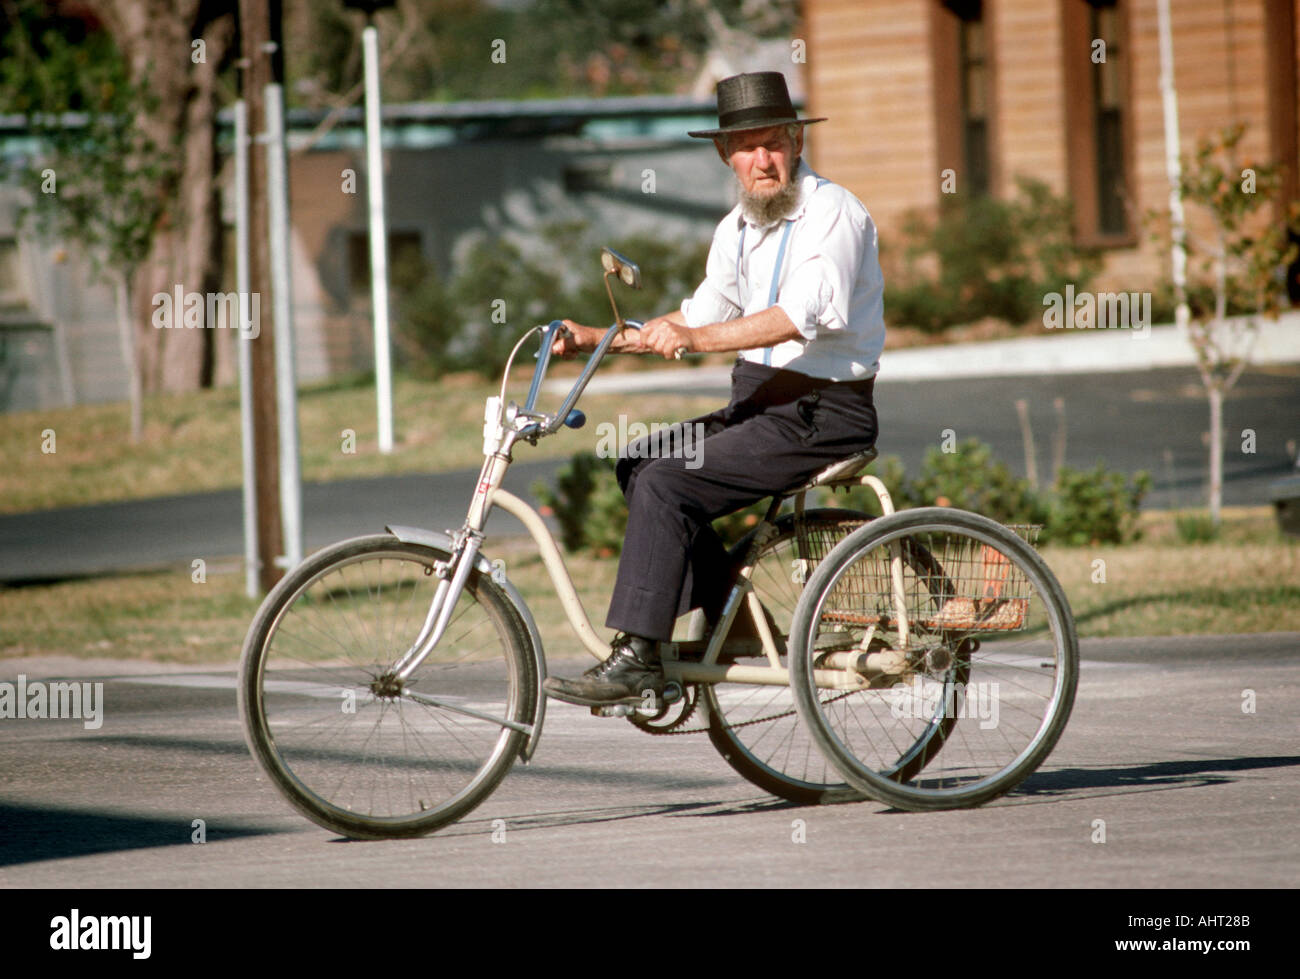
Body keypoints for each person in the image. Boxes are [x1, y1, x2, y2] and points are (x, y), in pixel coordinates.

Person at [542, 71, 885, 708]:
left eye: (774, 144)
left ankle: (640, 654)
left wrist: (697, 341)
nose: (763, 160)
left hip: (822, 414)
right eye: (747, 147)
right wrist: (595, 336)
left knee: (671, 483)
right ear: (725, 155)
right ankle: (732, 617)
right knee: (639, 463)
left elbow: (797, 316)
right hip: (760, 404)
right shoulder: (736, 229)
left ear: (796, 145)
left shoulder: (833, 213)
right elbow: (695, 316)